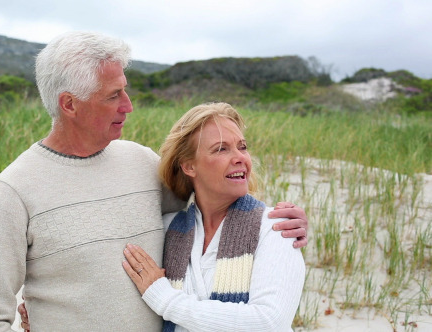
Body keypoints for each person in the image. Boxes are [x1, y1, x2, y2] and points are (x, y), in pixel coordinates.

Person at [0, 31, 308, 331]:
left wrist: (288, 223)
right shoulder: (15, 189)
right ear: (69, 104)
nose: (128, 106)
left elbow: (213, 200)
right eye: (113, 95)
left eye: (125, 92)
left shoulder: (141, 163)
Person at [121, 102, 305, 331]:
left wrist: (164, 299)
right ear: (189, 166)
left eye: (242, 147)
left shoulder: (276, 228)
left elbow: (269, 322)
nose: (240, 158)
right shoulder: (169, 230)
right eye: (221, 149)